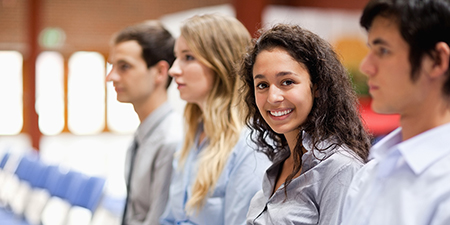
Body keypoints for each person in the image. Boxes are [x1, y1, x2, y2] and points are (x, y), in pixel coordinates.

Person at [240, 24, 371, 225]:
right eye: (262, 85)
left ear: (317, 86)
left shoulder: (340, 167)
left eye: (287, 82)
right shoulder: (281, 162)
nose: (273, 97)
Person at [340, 0, 450, 224]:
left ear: (437, 60)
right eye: (371, 49)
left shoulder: (444, 185)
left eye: (383, 50)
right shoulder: (371, 172)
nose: (366, 66)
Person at [159, 14, 271, 225]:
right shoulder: (193, 135)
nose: (173, 70)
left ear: (221, 64)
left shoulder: (251, 145)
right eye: (176, 57)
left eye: (188, 57)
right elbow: (169, 218)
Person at [106, 20, 183, 225]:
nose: (111, 76)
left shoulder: (171, 140)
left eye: (124, 67)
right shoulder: (145, 134)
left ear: (159, 72)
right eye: (112, 66)